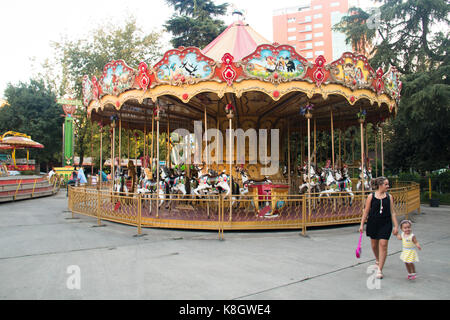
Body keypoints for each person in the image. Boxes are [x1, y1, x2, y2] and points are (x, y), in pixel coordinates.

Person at [359, 176, 399, 279]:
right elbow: (366, 211)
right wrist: (362, 224)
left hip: (386, 223)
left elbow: (393, 212)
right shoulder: (371, 196)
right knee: (374, 245)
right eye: (386, 184)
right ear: (380, 185)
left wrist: (396, 226)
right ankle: (378, 259)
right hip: (373, 222)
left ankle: (380, 269)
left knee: (383, 244)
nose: (388, 186)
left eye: (388, 184)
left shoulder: (389, 197)